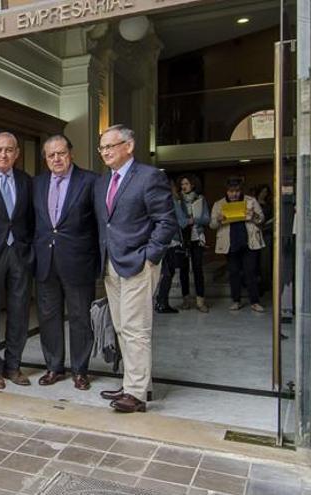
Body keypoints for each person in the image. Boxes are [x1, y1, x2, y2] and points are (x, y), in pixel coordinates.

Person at [94, 124, 177, 413]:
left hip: (138, 264)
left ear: (128, 146)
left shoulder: (149, 177)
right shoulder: (104, 182)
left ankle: (136, 394)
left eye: (110, 146)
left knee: (135, 328)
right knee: (120, 326)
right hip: (111, 264)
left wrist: (150, 257)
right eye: (101, 147)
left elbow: (167, 221)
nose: (104, 151)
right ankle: (136, 383)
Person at [32, 135, 99, 390]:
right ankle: (53, 367)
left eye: (61, 153)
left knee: (81, 317)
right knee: (48, 317)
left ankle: (80, 370)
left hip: (78, 262)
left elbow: (98, 225)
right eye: (51, 155)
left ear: (71, 153)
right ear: (45, 158)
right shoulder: (37, 184)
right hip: (45, 262)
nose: (57, 159)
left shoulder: (90, 181)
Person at [0, 132, 35, 387]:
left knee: (19, 311)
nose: (4, 155)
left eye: (9, 150)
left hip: (20, 254)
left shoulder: (26, 181)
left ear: (17, 153)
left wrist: (30, 249)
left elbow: (33, 219)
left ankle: (13, 365)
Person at [209, 177, 266, 312]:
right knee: (233, 272)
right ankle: (236, 301)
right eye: (231, 191)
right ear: (226, 191)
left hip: (249, 242)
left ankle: (255, 302)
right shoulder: (219, 204)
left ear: (241, 191)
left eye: (236, 191)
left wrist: (253, 216)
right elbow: (212, 225)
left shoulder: (250, 201)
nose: (234, 194)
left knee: (250, 272)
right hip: (230, 243)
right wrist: (218, 219)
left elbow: (262, 219)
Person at [177, 174, 211, 313]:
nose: (184, 186)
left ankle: (200, 301)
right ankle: (185, 300)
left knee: (198, 269)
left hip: (197, 238)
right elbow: (177, 220)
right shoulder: (177, 201)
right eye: (182, 184)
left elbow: (206, 219)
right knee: (183, 270)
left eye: (186, 183)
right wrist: (186, 221)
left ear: (193, 185)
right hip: (183, 239)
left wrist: (194, 220)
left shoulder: (201, 199)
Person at [155, 179, 189, 314]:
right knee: (169, 273)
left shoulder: (156, 202)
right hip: (172, 241)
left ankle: (160, 301)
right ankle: (162, 303)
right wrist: (190, 219)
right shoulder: (173, 202)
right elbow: (182, 222)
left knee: (165, 273)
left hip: (159, 240)